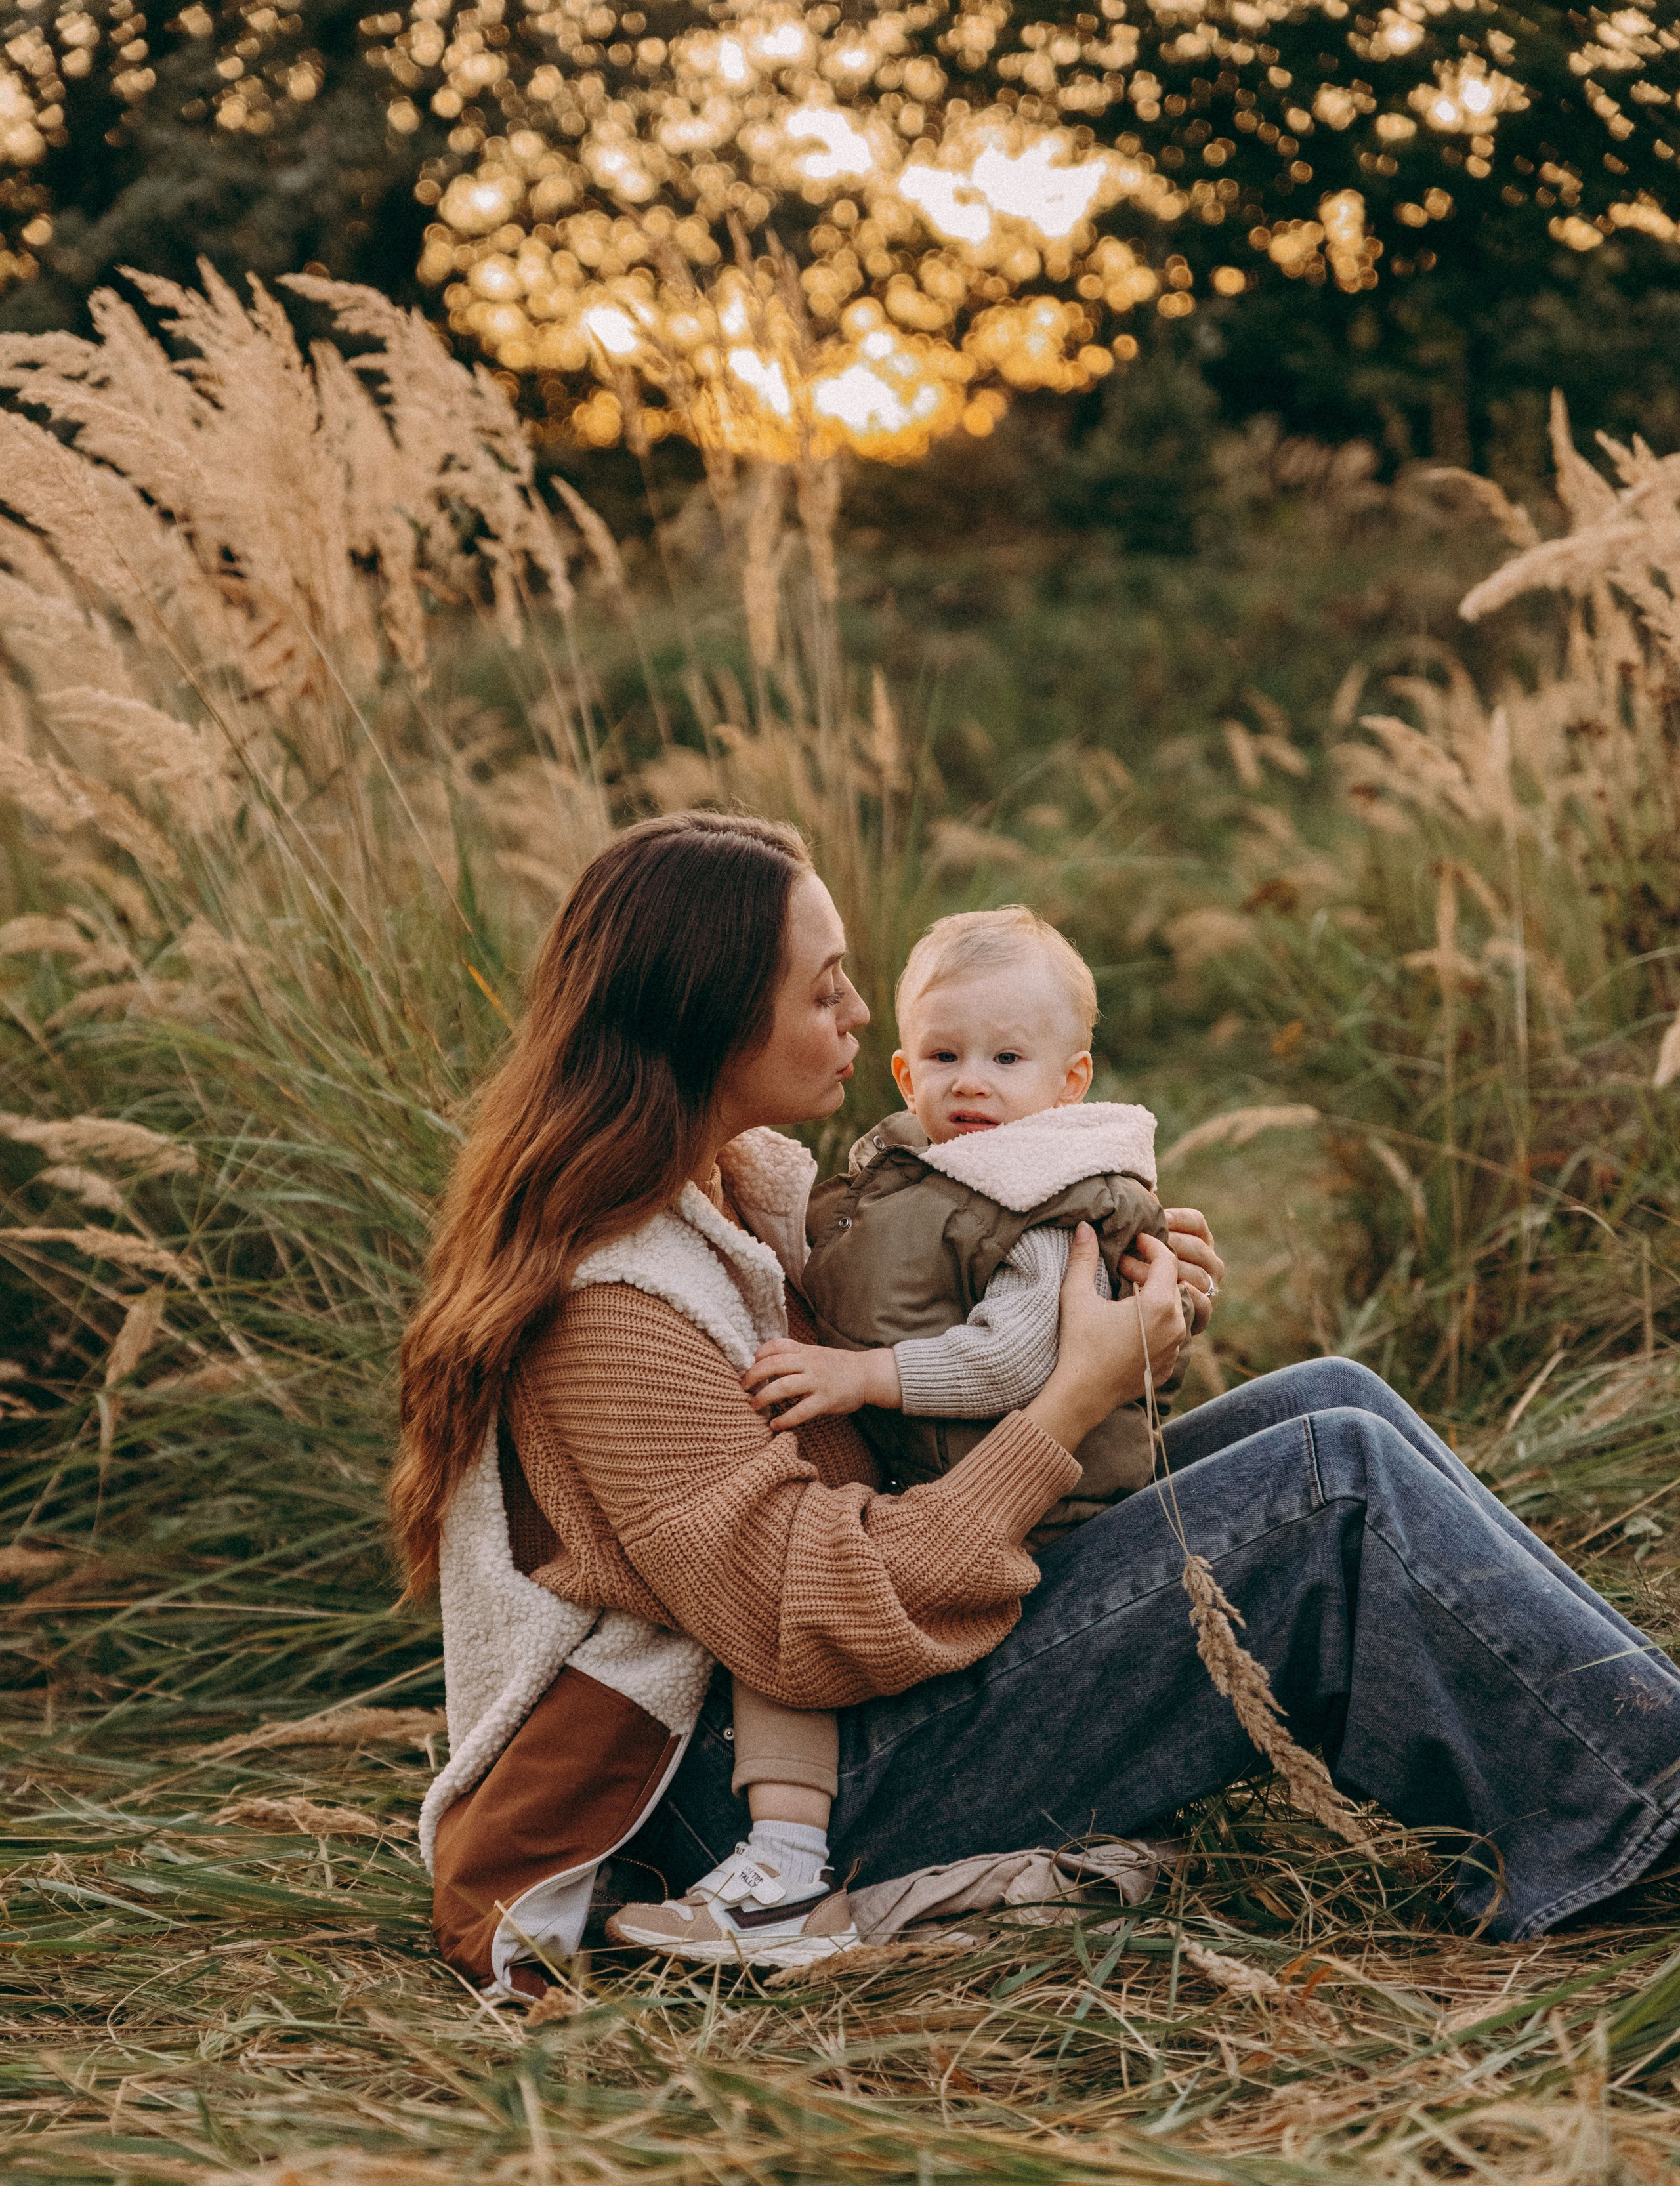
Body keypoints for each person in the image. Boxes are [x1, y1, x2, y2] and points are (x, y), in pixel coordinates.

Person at [395, 810, 1680, 1998]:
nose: (859, 1013)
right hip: (736, 1805)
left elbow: (923, 1393)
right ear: (710, 1018)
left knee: (1333, 1401)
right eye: (824, 986)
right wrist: (1069, 1397)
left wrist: (1119, 1309)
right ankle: (1640, 1805)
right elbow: (803, 1624)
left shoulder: (746, 1192)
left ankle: (1626, 1755)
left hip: (840, 1700)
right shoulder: (613, 1307)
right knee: (1328, 1489)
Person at [610, 905, 1195, 1960]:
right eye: (943, 1056)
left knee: (1338, 1412)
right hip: (904, 1555)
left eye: (1006, 1059)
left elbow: (1021, 1356)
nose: (972, 1082)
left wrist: (866, 1377)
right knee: (1333, 1471)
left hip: (1027, 1516)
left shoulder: (1025, 1192)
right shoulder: (872, 1187)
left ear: (1071, 1080)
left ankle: (787, 1867)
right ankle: (784, 1869)